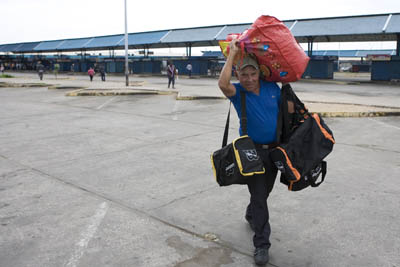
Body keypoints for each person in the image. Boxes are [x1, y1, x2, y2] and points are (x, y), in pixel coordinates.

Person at [218, 38, 281, 266]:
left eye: (253, 74)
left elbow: (287, 110)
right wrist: (232, 56)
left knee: (264, 194)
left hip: (274, 152)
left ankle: (251, 213)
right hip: (251, 153)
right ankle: (262, 245)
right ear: (239, 75)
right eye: (244, 75)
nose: (249, 79)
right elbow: (223, 84)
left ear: (258, 73)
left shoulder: (272, 88)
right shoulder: (238, 93)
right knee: (260, 197)